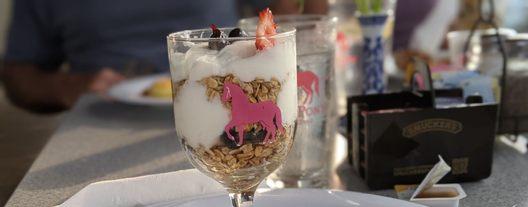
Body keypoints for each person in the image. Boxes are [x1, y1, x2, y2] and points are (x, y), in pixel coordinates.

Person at [2, 0, 327, 113]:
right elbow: (18, 75)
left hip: (222, 105)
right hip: (103, 122)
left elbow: (285, 20)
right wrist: (71, 87)